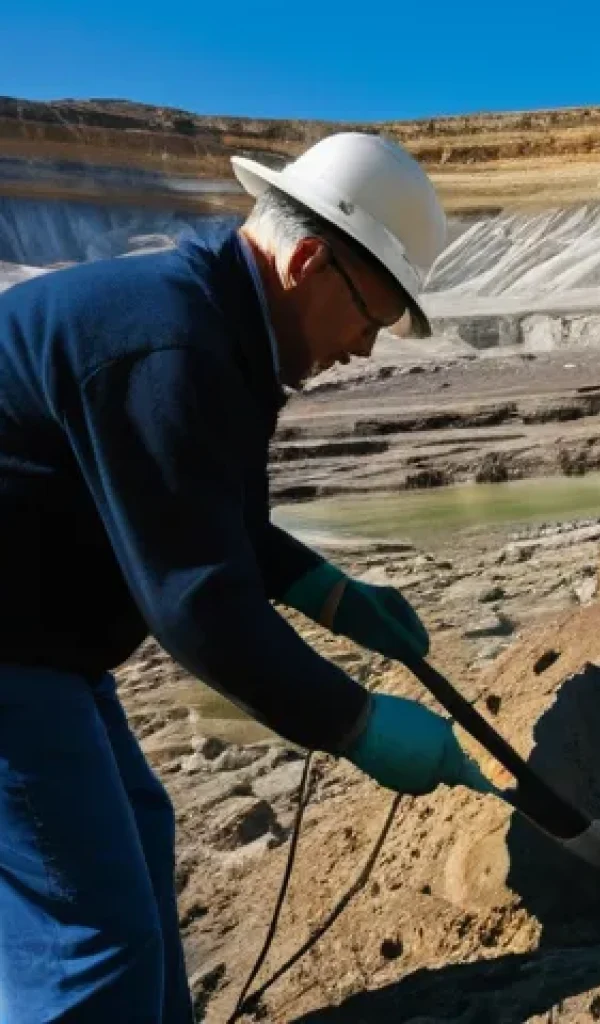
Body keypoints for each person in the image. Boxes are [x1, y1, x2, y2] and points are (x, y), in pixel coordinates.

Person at [0, 132, 489, 1023]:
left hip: (38, 645)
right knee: (92, 940)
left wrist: (333, 597)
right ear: (308, 261)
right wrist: (359, 724)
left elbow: (205, 511)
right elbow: (197, 601)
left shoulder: (210, 329)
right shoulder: (169, 345)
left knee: (138, 847)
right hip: (11, 652)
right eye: (372, 318)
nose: (368, 351)